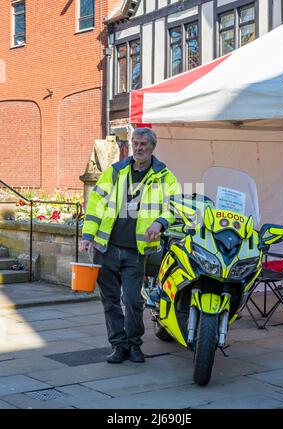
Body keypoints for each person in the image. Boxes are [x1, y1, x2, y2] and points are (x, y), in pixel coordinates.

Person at [79, 127, 180, 364]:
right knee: (110, 300)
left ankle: (135, 345)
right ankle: (118, 345)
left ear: (153, 147)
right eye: (135, 143)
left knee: (134, 300)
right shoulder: (116, 171)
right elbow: (96, 204)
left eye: (143, 144)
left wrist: (160, 222)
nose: (139, 148)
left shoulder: (164, 175)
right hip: (106, 247)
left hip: (137, 250)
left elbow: (174, 205)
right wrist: (87, 235)